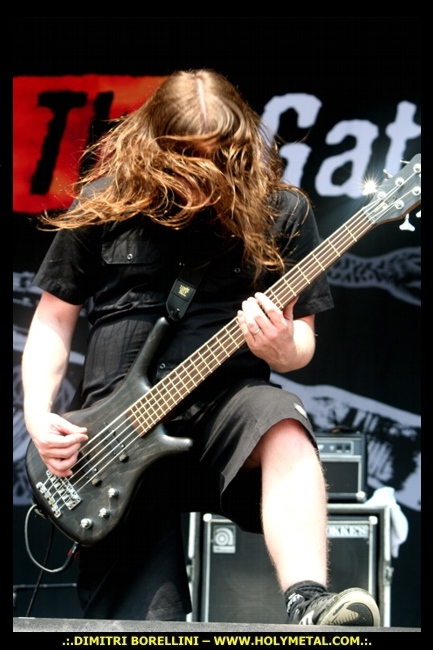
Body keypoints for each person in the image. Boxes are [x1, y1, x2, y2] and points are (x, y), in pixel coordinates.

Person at [21, 69, 380, 626]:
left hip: (226, 413)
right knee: (144, 626)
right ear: (156, 142)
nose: (204, 171)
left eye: (219, 156)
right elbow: (53, 318)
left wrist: (280, 346)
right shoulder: (106, 199)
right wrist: (38, 415)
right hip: (115, 436)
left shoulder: (281, 212)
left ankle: (309, 601)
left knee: (282, 421)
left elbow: (302, 343)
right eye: (189, 156)